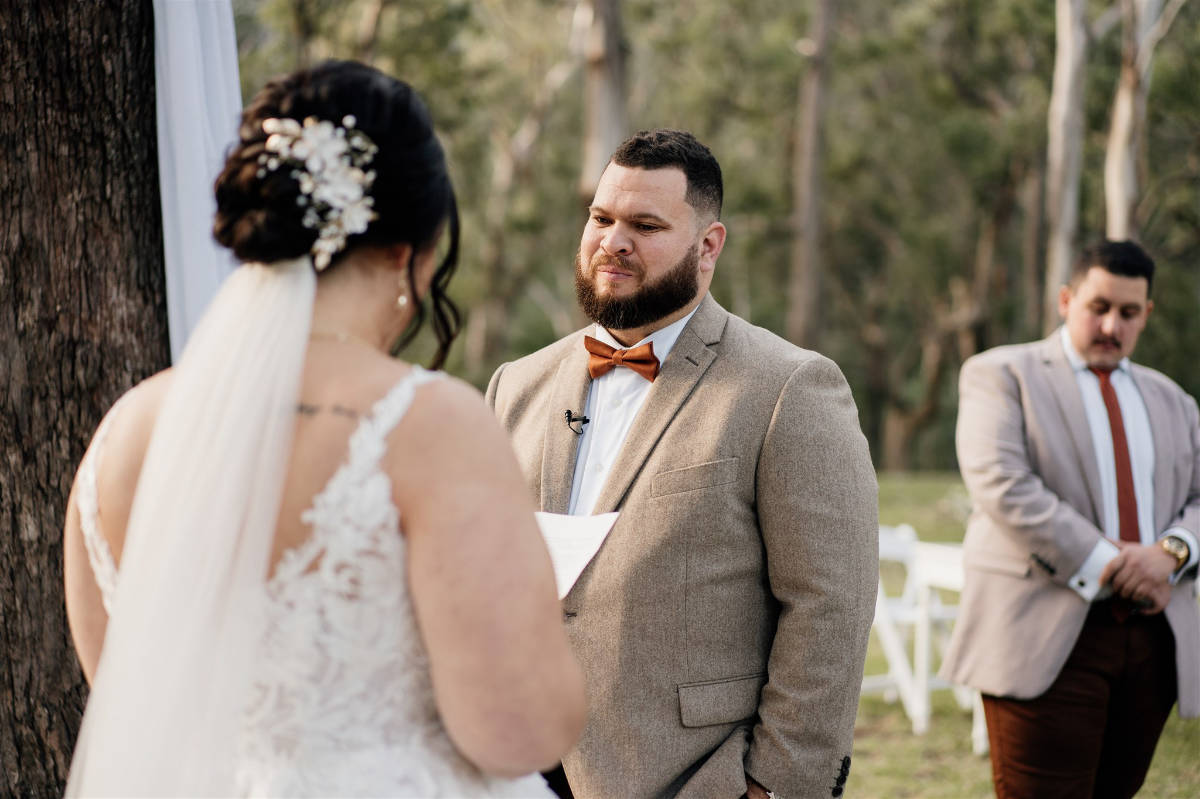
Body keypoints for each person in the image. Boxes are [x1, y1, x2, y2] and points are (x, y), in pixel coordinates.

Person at [61, 60, 585, 797]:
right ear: (412, 253)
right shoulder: (428, 422)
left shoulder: (123, 433)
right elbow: (516, 728)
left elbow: (132, 716)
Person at [486, 129, 878, 799]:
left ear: (709, 244)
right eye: (601, 218)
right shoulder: (515, 383)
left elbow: (828, 607)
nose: (613, 240)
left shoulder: (791, 388)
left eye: (644, 224)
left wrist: (775, 785)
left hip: (690, 777)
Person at [941, 240, 1200, 798]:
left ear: (1147, 315)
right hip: (1044, 634)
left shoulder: (1175, 400)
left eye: (1129, 313)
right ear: (1066, 299)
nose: (1112, 325)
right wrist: (1116, 563)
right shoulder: (1001, 374)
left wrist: (1171, 553)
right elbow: (1001, 482)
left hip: (1153, 644)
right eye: (1098, 307)